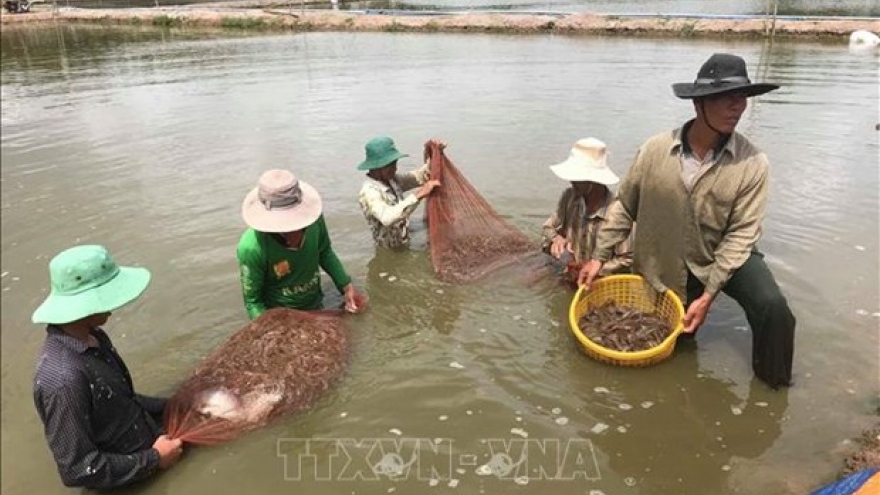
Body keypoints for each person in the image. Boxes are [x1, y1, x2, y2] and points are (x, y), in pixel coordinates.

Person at [578, 53, 796, 389]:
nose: (737, 107)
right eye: (727, 97)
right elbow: (624, 206)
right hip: (664, 255)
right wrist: (598, 257)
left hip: (723, 253)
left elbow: (741, 234)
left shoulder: (753, 163)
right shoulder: (654, 150)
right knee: (671, 344)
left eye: (742, 98)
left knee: (774, 308)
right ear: (699, 104)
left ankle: (774, 390)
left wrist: (709, 295)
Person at [31, 245, 183, 489]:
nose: (113, 308)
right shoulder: (62, 380)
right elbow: (78, 469)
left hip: (150, 452)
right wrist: (154, 459)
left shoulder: (95, 337)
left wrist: (173, 405)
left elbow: (121, 401)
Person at [238, 169, 366, 319]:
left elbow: (324, 252)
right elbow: (253, 302)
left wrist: (346, 287)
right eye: (285, 230)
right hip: (281, 316)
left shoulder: (314, 220)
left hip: (315, 303)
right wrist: (270, 328)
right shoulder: (251, 247)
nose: (294, 233)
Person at [541, 137, 633, 282]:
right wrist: (556, 239)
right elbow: (547, 227)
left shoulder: (617, 212)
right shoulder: (569, 197)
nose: (572, 181)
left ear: (594, 181)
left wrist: (593, 268)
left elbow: (627, 259)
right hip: (568, 275)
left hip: (601, 283)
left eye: (578, 178)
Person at [357, 135, 441, 249]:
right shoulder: (369, 192)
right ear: (377, 167)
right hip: (389, 250)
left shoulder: (392, 180)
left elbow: (419, 177)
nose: (395, 168)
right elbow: (387, 218)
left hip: (403, 238)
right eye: (391, 165)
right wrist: (419, 195)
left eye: (395, 163)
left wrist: (434, 155)